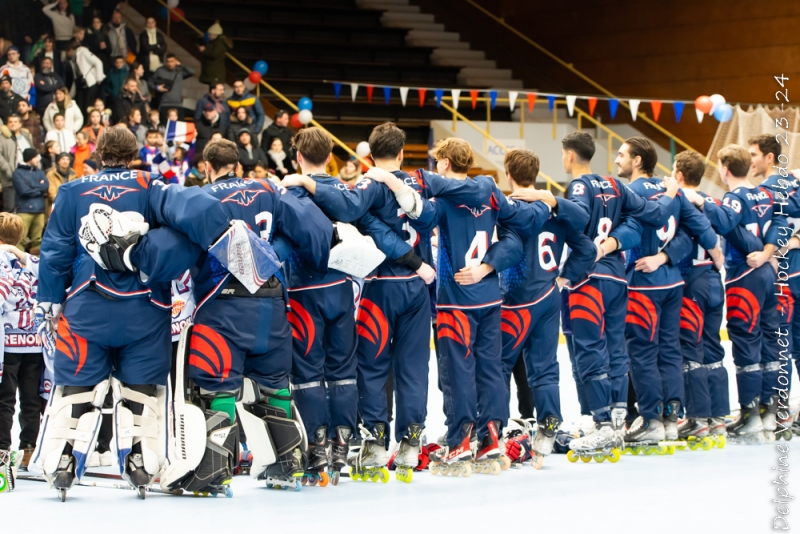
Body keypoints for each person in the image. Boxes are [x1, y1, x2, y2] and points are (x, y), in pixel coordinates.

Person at [35, 125, 267, 499]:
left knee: (75, 391)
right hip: (145, 308)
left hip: (85, 306)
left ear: (98, 153)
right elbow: (197, 210)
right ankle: (141, 462)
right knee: (141, 393)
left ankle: (63, 460)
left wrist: (48, 300)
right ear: (134, 154)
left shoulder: (71, 190)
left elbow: (54, 251)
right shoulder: (152, 185)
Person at [159, 138, 332, 495]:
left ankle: (214, 469)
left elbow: (176, 252)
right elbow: (315, 230)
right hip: (272, 307)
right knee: (274, 386)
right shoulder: (269, 189)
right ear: (237, 164)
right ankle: (289, 461)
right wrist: (273, 253)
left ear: (208, 167)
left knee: (215, 387)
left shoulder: (203, 197)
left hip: (222, 308)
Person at [521, 132, 678, 456]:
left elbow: (578, 215)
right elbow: (652, 215)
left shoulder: (579, 186)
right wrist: (670, 195)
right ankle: (616, 420)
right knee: (616, 349)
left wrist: (551, 200)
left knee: (589, 350)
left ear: (569, 156)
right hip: (617, 277)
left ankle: (603, 423)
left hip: (587, 278)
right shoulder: (616, 185)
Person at [482, 148, 594, 468]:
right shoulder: (553, 209)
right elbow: (587, 249)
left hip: (517, 300)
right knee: (544, 368)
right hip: (548, 295)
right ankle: (548, 425)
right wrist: (564, 278)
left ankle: (493, 434)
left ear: (508, 175)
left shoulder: (509, 208)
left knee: (498, 367)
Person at [607, 137, 718, 445]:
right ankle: (671, 419)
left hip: (643, 285)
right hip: (673, 282)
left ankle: (651, 420)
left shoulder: (629, 192)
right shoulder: (673, 188)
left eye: (621, 155)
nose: (616, 160)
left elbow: (628, 233)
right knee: (670, 350)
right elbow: (702, 232)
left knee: (642, 352)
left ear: (638, 160)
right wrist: (667, 256)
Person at [683, 144, 787, 443]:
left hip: (744, 275)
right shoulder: (766, 193)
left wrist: (702, 202)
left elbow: (726, 221)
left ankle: (751, 416)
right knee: (770, 341)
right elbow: (781, 223)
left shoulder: (733, 198)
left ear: (724, 169)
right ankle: (769, 412)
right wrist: (768, 251)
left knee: (746, 342)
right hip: (768, 273)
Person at [670, 150, 730, 443]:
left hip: (692, 281)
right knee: (713, 347)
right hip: (714, 280)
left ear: (679, 175)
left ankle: (697, 418)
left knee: (690, 349)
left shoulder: (680, 201)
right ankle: (718, 418)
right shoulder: (713, 201)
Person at [0, 212, 44, 475]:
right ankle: (29, 449)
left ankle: (2, 452)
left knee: (4, 400)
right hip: (34, 341)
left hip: (7, 343)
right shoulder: (33, 262)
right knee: (31, 399)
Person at [11, 148, 48, 252]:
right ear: (29, 158)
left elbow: (45, 186)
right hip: (24, 210)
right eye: (35, 157)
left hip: (39, 210)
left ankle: (36, 260)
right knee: (20, 239)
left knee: (38, 240)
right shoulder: (17, 173)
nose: (38, 159)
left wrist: (32, 187)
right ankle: (18, 260)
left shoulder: (40, 172)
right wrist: (38, 188)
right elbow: (23, 191)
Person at [63, 39, 105, 115]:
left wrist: (99, 79)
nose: (67, 54)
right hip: (81, 84)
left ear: (71, 49)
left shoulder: (83, 52)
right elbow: (75, 77)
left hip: (91, 83)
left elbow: (98, 62)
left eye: (67, 51)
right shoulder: (73, 59)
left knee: (88, 106)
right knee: (80, 106)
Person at [148, 53, 194, 123]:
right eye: (168, 61)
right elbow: (150, 82)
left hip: (178, 103)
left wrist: (180, 64)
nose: (169, 63)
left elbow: (192, 72)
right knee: (164, 125)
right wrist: (157, 88)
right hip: (164, 103)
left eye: (172, 61)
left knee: (179, 126)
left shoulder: (179, 71)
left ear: (176, 61)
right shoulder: (160, 70)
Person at [197, 22, 231, 86]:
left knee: (214, 89)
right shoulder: (214, 42)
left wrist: (204, 50)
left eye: (210, 34)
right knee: (213, 89)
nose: (208, 36)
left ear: (215, 34)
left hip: (214, 72)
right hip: (212, 72)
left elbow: (214, 54)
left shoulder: (219, 43)